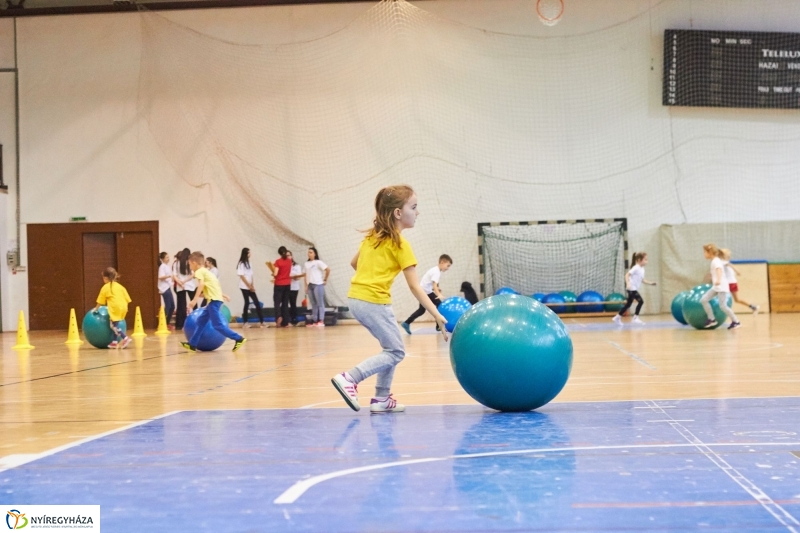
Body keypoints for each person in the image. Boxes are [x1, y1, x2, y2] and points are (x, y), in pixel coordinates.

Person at [331, 185, 448, 414]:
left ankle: (382, 398)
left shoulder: (372, 237)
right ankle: (350, 378)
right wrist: (436, 314)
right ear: (398, 212)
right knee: (396, 352)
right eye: (414, 207)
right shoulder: (401, 244)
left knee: (390, 348)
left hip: (356, 299)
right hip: (374, 302)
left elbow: (354, 263)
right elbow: (415, 287)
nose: (418, 212)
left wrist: (371, 274)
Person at [180, 251, 246, 352]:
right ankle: (192, 344)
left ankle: (239, 338)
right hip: (214, 300)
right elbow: (214, 287)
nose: (190, 267)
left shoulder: (199, 272)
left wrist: (194, 300)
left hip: (214, 301)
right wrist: (223, 295)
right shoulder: (207, 272)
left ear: (194, 263)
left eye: (189, 264)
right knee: (200, 321)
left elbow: (201, 285)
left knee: (217, 325)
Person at [401, 254, 452, 334]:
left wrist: (437, 290)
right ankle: (438, 326)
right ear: (442, 262)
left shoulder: (435, 270)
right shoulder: (436, 272)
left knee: (421, 310)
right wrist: (438, 294)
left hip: (424, 291)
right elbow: (434, 285)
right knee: (439, 305)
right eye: (447, 265)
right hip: (425, 292)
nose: (448, 268)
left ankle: (406, 323)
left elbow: (431, 284)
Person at [700, 244, 741, 329]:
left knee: (723, 306)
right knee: (704, 299)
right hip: (716, 287)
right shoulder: (714, 261)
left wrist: (718, 279)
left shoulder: (716, 261)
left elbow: (719, 270)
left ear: (710, 252)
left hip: (721, 287)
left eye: (705, 252)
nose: (704, 254)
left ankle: (736, 321)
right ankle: (712, 319)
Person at [92, 267, 132, 349]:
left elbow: (100, 301)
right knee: (115, 323)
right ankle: (114, 342)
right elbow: (128, 299)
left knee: (113, 326)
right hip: (123, 307)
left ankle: (125, 338)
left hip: (115, 308)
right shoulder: (120, 286)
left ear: (105, 278)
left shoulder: (105, 287)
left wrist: (95, 309)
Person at [612, 252, 656, 326]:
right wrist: (628, 283)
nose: (647, 261)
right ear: (639, 260)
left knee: (628, 304)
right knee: (641, 301)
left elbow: (642, 280)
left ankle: (617, 317)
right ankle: (635, 318)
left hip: (633, 288)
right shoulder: (636, 267)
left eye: (647, 259)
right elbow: (627, 275)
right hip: (631, 288)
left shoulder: (642, 269)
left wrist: (651, 283)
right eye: (645, 260)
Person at [720, 249, 759, 314]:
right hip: (733, 283)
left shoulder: (724, 262)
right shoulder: (725, 263)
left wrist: (735, 269)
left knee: (722, 298)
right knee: (737, 300)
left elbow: (730, 266)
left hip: (729, 284)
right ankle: (752, 306)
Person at [237, 248, 265, 328]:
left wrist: (252, 285)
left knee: (256, 302)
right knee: (247, 302)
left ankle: (262, 322)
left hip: (250, 286)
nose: (250, 254)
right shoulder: (241, 263)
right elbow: (242, 276)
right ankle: (245, 322)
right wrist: (248, 286)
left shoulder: (249, 263)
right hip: (244, 286)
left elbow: (251, 275)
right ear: (246, 253)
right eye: (249, 252)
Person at [266, 246, 293, 327]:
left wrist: (273, 274)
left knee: (277, 302)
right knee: (285, 303)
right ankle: (285, 322)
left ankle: (278, 316)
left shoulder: (278, 261)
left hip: (279, 284)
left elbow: (276, 273)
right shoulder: (289, 261)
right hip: (287, 283)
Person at [304, 247, 330, 327]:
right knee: (313, 303)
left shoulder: (318, 262)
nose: (309, 254)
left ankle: (321, 320)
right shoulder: (306, 264)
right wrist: (306, 286)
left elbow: (328, 269)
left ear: (315, 254)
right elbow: (305, 275)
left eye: (311, 252)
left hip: (318, 284)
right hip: (310, 285)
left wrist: (325, 279)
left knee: (320, 303)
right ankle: (315, 320)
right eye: (308, 252)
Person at [173, 248, 195, 331]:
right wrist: (184, 281)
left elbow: (174, 275)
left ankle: (179, 325)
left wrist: (180, 282)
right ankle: (195, 322)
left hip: (180, 286)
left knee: (181, 305)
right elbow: (193, 275)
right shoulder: (189, 262)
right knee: (194, 303)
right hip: (190, 285)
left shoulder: (176, 263)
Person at [157, 252, 175, 331]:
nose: (168, 259)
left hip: (168, 287)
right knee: (168, 306)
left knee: (172, 306)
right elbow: (160, 277)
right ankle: (162, 323)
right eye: (167, 257)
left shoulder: (167, 266)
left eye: (168, 257)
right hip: (164, 289)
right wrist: (168, 276)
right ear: (162, 259)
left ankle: (167, 323)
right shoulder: (162, 267)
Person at [288, 251, 304, 326]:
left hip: (294, 287)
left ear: (292, 256)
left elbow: (298, 277)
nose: (288, 257)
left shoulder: (297, 266)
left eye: (289, 255)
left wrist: (293, 277)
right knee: (285, 303)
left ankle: (294, 318)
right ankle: (286, 319)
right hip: (286, 286)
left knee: (293, 303)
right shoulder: (285, 265)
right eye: (286, 255)